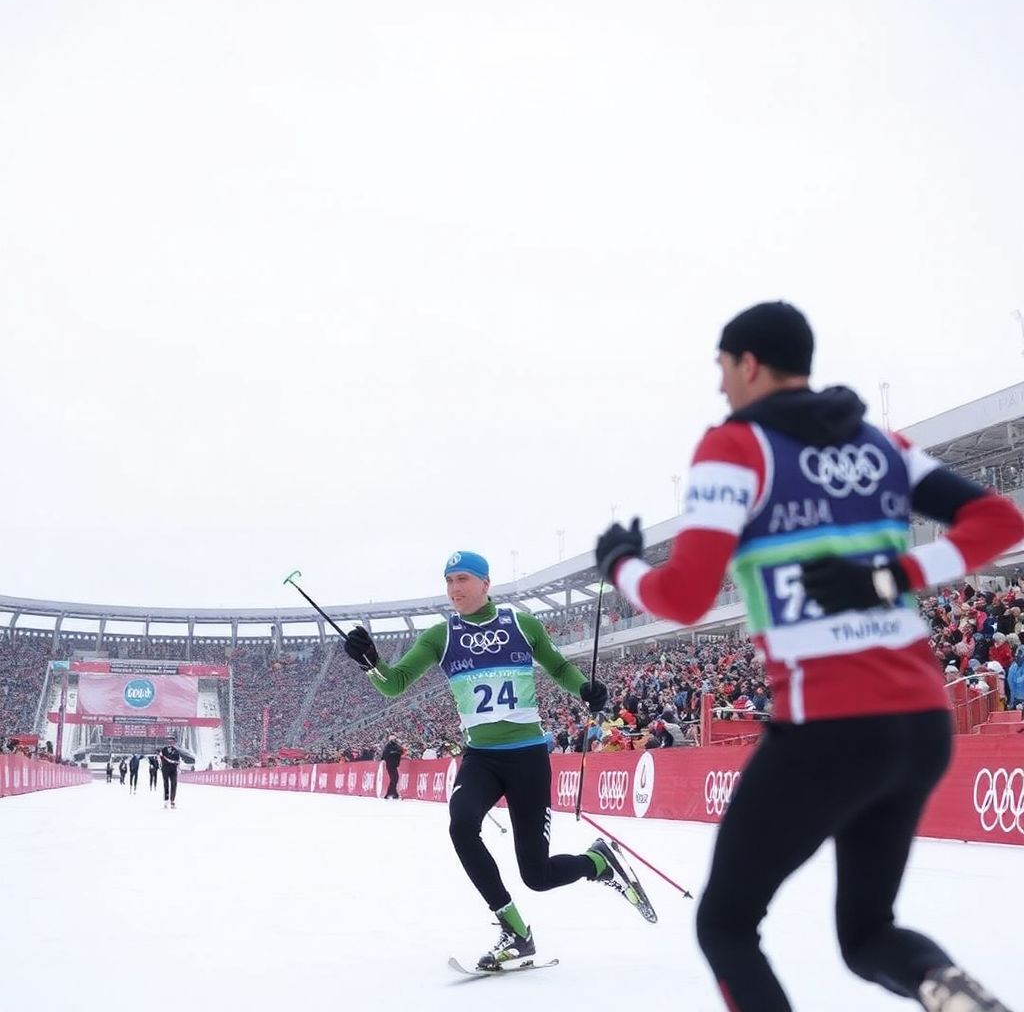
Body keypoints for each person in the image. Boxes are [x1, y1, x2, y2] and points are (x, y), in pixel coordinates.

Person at [595, 301, 1022, 1012]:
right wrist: (894, 576)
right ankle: (949, 990)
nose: (721, 387)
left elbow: (689, 596)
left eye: (723, 369)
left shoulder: (734, 447)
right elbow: (1000, 521)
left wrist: (621, 567)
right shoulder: (879, 446)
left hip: (830, 723)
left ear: (749, 364)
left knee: (726, 923)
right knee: (867, 935)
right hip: (920, 722)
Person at [342, 550, 649, 970]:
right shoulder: (439, 635)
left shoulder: (522, 626)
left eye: (463, 579)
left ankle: (597, 862)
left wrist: (585, 689)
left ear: (486, 583)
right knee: (461, 823)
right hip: (482, 758)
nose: (455, 589)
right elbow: (394, 684)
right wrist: (369, 662)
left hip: (527, 759)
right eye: (448, 581)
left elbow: (558, 667)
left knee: (537, 876)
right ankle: (515, 931)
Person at [159, 742, 181, 808]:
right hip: (165, 769)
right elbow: (161, 759)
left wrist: (174, 763)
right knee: (166, 784)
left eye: (171, 742)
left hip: (173, 770)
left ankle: (172, 800)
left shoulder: (176, 751)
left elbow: (177, 760)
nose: (170, 744)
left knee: (174, 784)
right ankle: (166, 800)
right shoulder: (163, 750)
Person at [381, 735, 403, 799]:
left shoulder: (395, 746)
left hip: (393, 764)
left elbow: (400, 751)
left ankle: (392, 793)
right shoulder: (388, 746)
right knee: (394, 778)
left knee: (395, 779)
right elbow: (384, 755)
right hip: (390, 765)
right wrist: (393, 753)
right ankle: (392, 793)